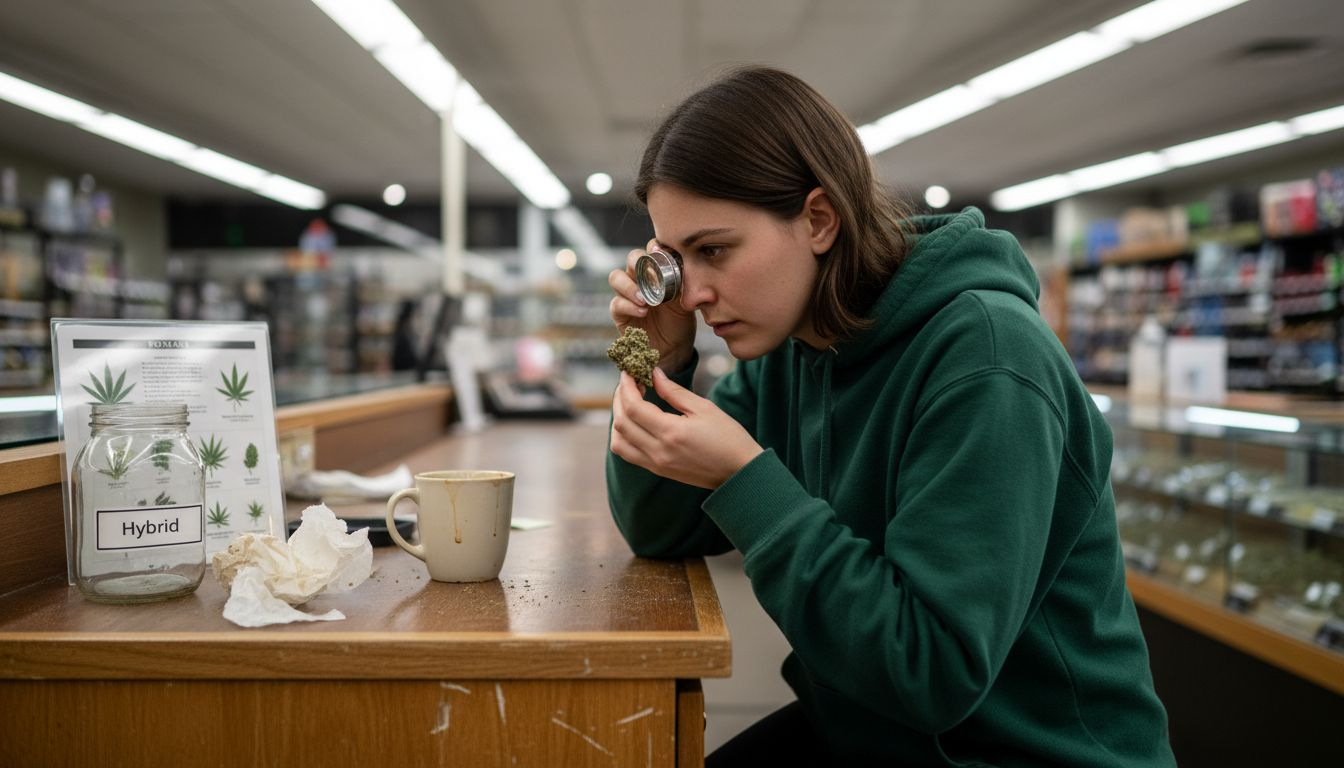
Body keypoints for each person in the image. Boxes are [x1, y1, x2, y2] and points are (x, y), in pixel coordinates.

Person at [605, 66, 1176, 767]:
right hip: (866, 728)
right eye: (674, 259)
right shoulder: (787, 346)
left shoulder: (986, 358)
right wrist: (656, 360)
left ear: (818, 220)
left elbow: (931, 671)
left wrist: (747, 479)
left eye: (714, 251)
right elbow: (660, 528)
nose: (690, 293)